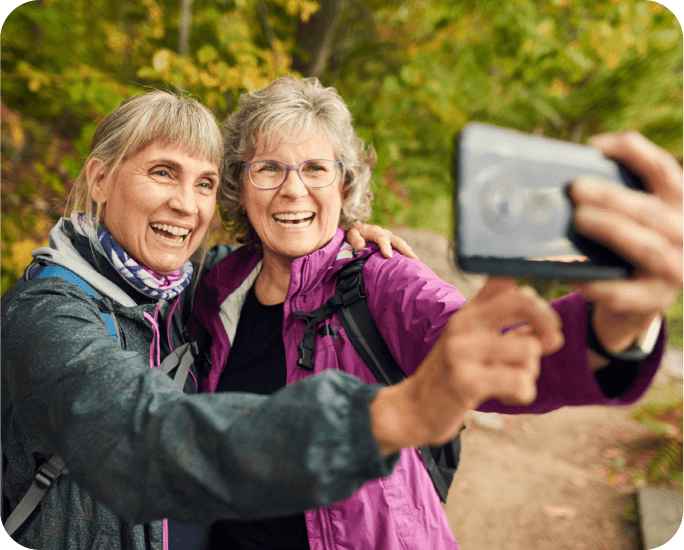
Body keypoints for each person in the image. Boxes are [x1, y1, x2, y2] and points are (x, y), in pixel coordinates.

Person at [191, 76, 682, 549]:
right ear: (240, 185)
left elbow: (486, 351)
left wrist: (613, 329)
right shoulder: (217, 286)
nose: (293, 189)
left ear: (344, 187)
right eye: (269, 169)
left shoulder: (382, 280)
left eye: (316, 168)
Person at [0, 89, 488, 550]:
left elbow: (483, 346)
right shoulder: (48, 315)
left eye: (204, 183)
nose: (187, 204)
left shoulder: (184, 290)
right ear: (100, 179)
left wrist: (346, 237)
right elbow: (141, 436)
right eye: (164, 173)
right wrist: (373, 422)